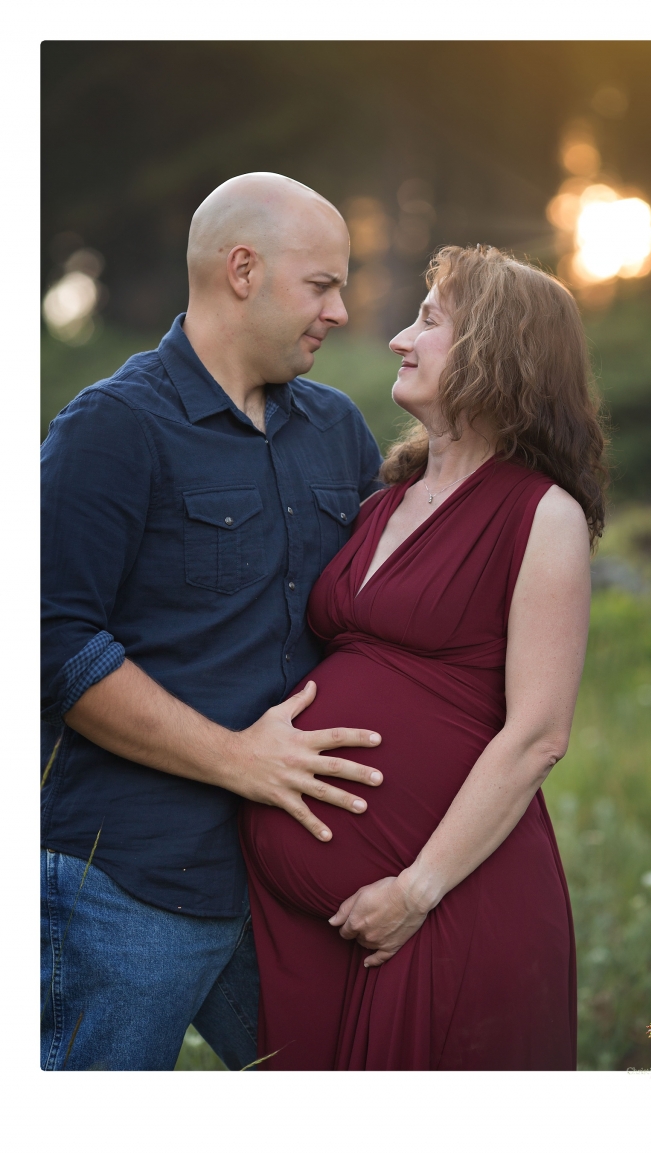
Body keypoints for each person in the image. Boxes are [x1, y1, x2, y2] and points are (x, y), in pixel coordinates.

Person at [40, 173, 387, 1071]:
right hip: (128, 887)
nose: (342, 311)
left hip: (292, 879)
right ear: (243, 270)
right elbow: (52, 643)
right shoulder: (111, 429)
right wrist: (237, 759)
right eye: (322, 285)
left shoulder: (339, 432)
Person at [239, 244, 607, 1070]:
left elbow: (539, 735)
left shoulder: (539, 515)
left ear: (496, 353)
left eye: (429, 322)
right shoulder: (385, 500)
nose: (401, 339)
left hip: (443, 911)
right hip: (317, 932)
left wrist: (415, 890)